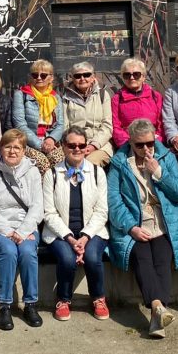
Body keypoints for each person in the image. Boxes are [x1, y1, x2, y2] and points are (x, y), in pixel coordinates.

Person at [107, 119, 178, 338]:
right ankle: (158, 309)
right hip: (135, 223)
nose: (146, 149)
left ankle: (156, 314)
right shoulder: (120, 162)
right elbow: (114, 201)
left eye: (150, 143)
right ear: (130, 142)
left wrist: (159, 173)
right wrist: (131, 227)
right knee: (142, 257)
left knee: (162, 259)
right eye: (140, 145)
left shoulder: (166, 157)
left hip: (164, 223)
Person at [42, 126, 110, 322]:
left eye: (81, 145)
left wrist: (85, 236)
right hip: (60, 232)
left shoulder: (97, 173)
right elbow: (49, 213)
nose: (77, 149)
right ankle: (63, 299)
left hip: (92, 230)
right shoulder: (52, 175)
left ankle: (98, 297)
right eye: (72, 145)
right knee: (66, 258)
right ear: (63, 146)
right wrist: (71, 239)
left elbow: (101, 211)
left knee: (92, 257)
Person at [0, 129, 45, 330]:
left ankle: (30, 303)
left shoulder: (32, 171)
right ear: (1, 149)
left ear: (24, 150)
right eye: (8, 146)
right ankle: (5, 306)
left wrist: (23, 231)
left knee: (26, 251)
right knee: (8, 251)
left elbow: (37, 207)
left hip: (25, 228)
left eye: (17, 147)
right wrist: (8, 231)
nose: (12, 151)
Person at [54, 61, 114, 167]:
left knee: (88, 165)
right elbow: (65, 125)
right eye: (78, 76)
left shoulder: (103, 95)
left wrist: (93, 146)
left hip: (99, 144)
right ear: (72, 78)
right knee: (59, 162)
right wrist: (73, 145)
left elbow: (107, 126)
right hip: (73, 144)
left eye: (86, 75)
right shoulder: (65, 96)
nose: (82, 78)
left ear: (93, 77)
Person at [13, 59, 65, 173]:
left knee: (59, 161)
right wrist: (40, 144)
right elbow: (20, 124)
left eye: (43, 75)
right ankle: (42, 191)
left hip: (52, 142)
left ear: (51, 78)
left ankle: (58, 190)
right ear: (30, 77)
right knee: (42, 162)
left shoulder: (56, 97)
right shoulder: (21, 94)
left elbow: (60, 125)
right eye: (35, 75)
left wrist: (51, 139)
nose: (39, 78)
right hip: (29, 143)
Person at [111, 57, 165, 148]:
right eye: (127, 75)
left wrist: (155, 140)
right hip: (128, 144)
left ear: (143, 77)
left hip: (153, 142)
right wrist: (129, 143)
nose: (132, 78)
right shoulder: (117, 99)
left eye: (136, 74)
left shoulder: (155, 96)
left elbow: (162, 124)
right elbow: (115, 126)